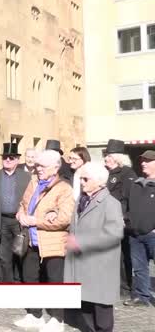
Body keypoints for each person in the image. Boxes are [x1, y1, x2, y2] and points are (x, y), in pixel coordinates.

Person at [14, 150, 74, 332]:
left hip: (53, 242)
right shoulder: (34, 182)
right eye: (37, 165)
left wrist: (35, 221)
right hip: (31, 241)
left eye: (42, 166)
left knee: (55, 280)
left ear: (55, 168)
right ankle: (35, 314)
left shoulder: (64, 188)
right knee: (30, 277)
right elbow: (23, 204)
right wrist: (21, 214)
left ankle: (58, 318)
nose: (38, 169)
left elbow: (64, 219)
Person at [64, 163, 123, 332]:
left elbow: (115, 233)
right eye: (81, 178)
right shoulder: (81, 201)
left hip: (100, 265)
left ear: (99, 182)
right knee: (85, 309)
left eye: (85, 178)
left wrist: (82, 243)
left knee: (101, 312)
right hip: (82, 264)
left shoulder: (111, 203)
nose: (81, 182)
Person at [103, 139, 137, 296]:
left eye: (109, 155)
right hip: (105, 219)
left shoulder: (127, 174)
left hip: (119, 220)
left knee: (122, 255)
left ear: (117, 157)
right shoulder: (105, 172)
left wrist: (123, 217)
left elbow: (129, 198)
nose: (106, 158)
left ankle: (124, 286)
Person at [0, 143, 31, 283]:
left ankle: (21, 280)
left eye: (11, 157)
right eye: (5, 158)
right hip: (1, 220)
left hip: (19, 220)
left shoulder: (27, 177)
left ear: (17, 160)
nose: (7, 160)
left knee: (22, 252)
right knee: (4, 255)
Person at [122, 150, 155, 307]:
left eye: (147, 161)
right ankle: (142, 297)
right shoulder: (136, 184)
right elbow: (127, 205)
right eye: (142, 160)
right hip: (135, 234)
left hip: (153, 234)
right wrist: (127, 221)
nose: (143, 163)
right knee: (139, 268)